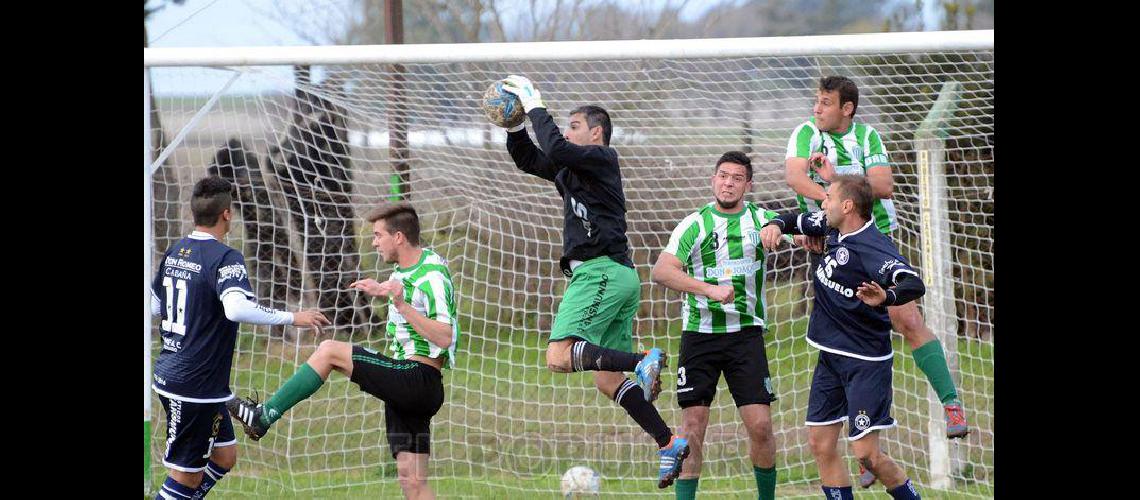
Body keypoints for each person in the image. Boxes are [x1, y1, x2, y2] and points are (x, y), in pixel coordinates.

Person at [500, 74, 688, 488]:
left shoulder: (604, 157)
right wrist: (514, 127)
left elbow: (555, 146)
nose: (567, 132)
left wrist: (535, 104)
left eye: (575, 125)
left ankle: (642, 360)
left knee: (558, 356)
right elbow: (532, 159)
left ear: (596, 133)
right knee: (607, 381)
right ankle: (668, 441)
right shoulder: (572, 170)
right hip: (616, 275)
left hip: (600, 270)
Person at [784, 75, 968, 487]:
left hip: (875, 241)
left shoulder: (867, 136)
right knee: (847, 337)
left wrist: (838, 182)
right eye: (816, 101)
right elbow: (795, 179)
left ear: (846, 108)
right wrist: (829, 205)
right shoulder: (804, 134)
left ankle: (950, 403)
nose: (817, 109)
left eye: (825, 102)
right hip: (833, 238)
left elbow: (883, 185)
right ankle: (866, 446)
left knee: (908, 323)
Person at [228, 204, 458, 500]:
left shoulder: (433, 274)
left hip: (418, 379)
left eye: (378, 235)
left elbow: (445, 335)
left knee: (329, 351)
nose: (374, 242)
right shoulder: (403, 272)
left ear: (398, 237)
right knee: (412, 483)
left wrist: (400, 304)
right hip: (407, 382)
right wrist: (385, 291)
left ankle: (263, 417)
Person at [150, 176, 329, 500]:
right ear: (228, 214)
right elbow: (235, 309)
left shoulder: (176, 251)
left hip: (189, 380)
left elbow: (154, 305)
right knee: (184, 479)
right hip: (195, 388)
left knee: (224, 456)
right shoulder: (225, 257)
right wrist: (293, 317)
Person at [759, 175, 924, 500]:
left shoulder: (873, 247)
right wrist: (777, 224)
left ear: (847, 206)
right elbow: (795, 220)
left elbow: (913, 283)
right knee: (820, 444)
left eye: (829, 197)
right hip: (830, 357)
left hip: (865, 362)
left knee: (867, 455)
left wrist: (887, 297)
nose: (823, 202)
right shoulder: (832, 226)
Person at [650, 151, 781, 500]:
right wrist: (708, 290)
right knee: (693, 427)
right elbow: (662, 270)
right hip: (700, 337)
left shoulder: (761, 219)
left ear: (748, 185)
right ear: (713, 180)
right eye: (723, 175)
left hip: (745, 338)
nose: (728, 182)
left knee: (762, 426)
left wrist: (784, 227)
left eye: (737, 178)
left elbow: (797, 230)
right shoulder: (694, 223)